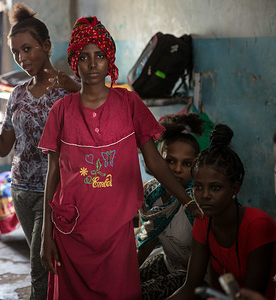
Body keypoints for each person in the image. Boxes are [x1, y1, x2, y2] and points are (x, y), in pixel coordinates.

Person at [38, 16, 202, 300]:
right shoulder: (61, 111)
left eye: (99, 55)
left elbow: (154, 162)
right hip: (71, 231)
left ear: (109, 59)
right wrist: (45, 235)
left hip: (116, 233)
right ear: (74, 61)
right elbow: (53, 175)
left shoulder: (129, 104)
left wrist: (187, 200)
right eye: (84, 56)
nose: (92, 64)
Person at [0, 3, 79, 299]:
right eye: (16, 52)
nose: (21, 59)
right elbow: (4, 147)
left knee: (40, 270)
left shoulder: (68, 88)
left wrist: (77, 92)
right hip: (21, 191)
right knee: (46, 264)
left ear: (47, 46)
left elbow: (91, 128)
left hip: (53, 193)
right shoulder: (17, 93)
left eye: (27, 49)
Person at [168, 124, 276, 300]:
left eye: (215, 188)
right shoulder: (203, 221)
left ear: (234, 189)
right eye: (198, 187)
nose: (204, 195)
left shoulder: (257, 225)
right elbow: (190, 287)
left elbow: (252, 296)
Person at [137, 113, 206, 299]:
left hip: (193, 277)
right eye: (171, 161)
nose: (177, 169)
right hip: (169, 263)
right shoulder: (152, 194)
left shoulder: (198, 202)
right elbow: (149, 237)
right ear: (159, 159)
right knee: (121, 283)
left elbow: (201, 266)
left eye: (187, 164)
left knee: (138, 294)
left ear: (196, 164)